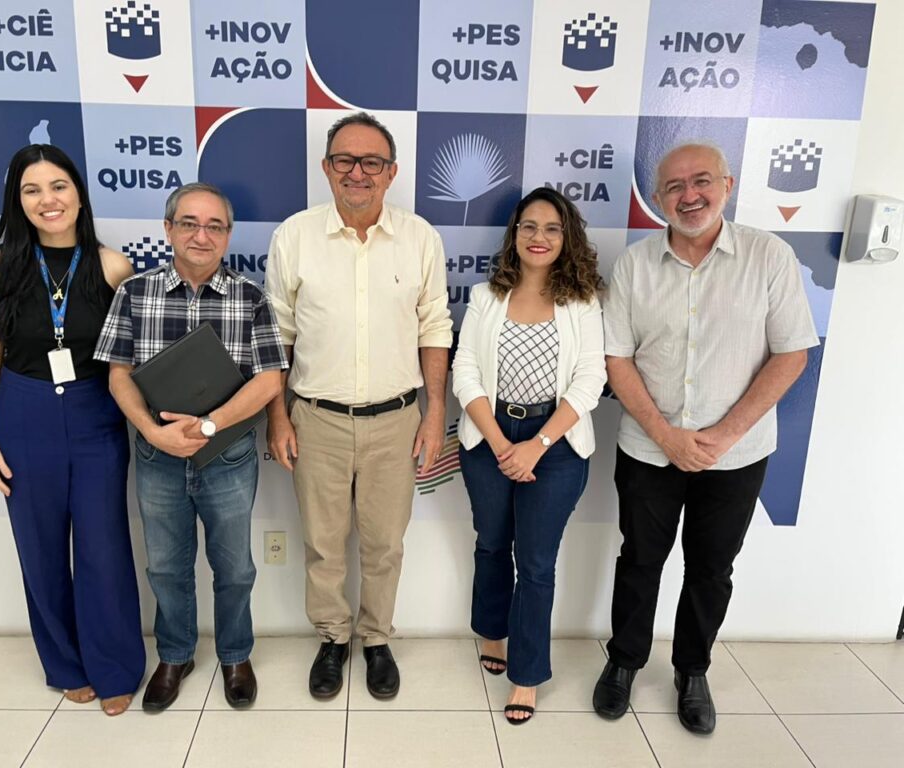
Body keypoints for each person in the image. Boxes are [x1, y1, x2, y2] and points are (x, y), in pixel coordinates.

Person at [594, 141, 818, 734]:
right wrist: (666, 435)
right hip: (649, 448)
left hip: (737, 454)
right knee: (639, 561)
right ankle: (623, 662)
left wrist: (722, 435)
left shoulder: (769, 256)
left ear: (727, 184)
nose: (688, 195)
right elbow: (617, 358)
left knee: (711, 569)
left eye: (701, 181)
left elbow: (791, 354)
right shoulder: (635, 266)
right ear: (657, 197)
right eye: (674, 186)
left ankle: (691, 671)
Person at [265, 112, 453, 700]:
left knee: (384, 544)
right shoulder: (294, 236)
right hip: (314, 418)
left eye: (372, 162)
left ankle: (375, 639)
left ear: (391, 172)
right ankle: (332, 638)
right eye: (345, 160)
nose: (358, 173)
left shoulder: (420, 238)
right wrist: (277, 415)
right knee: (323, 544)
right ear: (327, 168)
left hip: (397, 420)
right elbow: (278, 336)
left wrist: (435, 412)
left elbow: (435, 327)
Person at [94, 182, 287, 711]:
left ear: (228, 235)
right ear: (168, 229)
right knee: (165, 567)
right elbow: (118, 376)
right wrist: (152, 431)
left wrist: (208, 426)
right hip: (157, 455)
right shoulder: (134, 293)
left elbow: (270, 380)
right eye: (189, 223)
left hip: (228, 456)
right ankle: (175, 655)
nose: (202, 236)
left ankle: (235, 655)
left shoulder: (250, 297)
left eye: (215, 226)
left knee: (235, 567)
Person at [0, 144, 144, 716]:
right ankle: (65, 665)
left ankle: (114, 667)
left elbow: (130, 361)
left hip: (96, 415)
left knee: (103, 548)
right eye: (32, 190)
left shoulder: (113, 267)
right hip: (23, 416)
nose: (48, 200)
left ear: (78, 194)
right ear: (17, 202)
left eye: (58, 186)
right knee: (40, 549)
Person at [452, 188, 606, 724]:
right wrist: (502, 444)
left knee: (536, 563)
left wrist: (537, 445)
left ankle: (527, 675)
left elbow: (591, 379)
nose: (539, 238)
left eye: (552, 228)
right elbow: (464, 371)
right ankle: (492, 631)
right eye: (529, 227)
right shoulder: (485, 295)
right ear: (514, 235)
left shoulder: (583, 302)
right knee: (492, 544)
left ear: (567, 238)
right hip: (490, 436)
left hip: (557, 444)